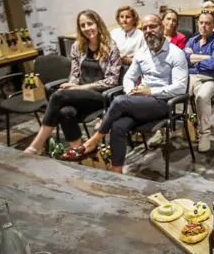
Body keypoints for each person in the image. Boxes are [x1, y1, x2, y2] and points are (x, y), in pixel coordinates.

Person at [61, 14, 188, 173]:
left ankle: (92, 142)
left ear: (162, 28)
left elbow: (181, 87)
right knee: (117, 126)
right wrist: (131, 91)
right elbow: (129, 77)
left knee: (120, 101)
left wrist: (150, 91)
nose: (148, 31)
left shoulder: (176, 54)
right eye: (145, 28)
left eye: (153, 27)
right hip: (140, 103)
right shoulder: (142, 53)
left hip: (163, 103)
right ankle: (117, 172)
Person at [23, 10, 121, 155]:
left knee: (58, 96)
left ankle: (36, 145)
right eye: (83, 25)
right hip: (81, 94)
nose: (87, 28)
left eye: (90, 23)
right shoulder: (77, 46)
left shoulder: (111, 47)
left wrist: (80, 88)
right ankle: (78, 151)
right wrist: (72, 85)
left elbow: (112, 81)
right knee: (65, 112)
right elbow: (74, 74)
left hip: (101, 96)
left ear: (98, 24)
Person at [185, 12, 214, 152]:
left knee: (202, 97)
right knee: (180, 92)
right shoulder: (193, 40)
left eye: (207, 23)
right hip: (194, 77)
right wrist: (206, 57)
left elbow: (213, 64)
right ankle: (189, 126)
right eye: (201, 23)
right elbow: (183, 59)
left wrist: (194, 59)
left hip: (213, 79)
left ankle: (204, 135)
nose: (203, 26)